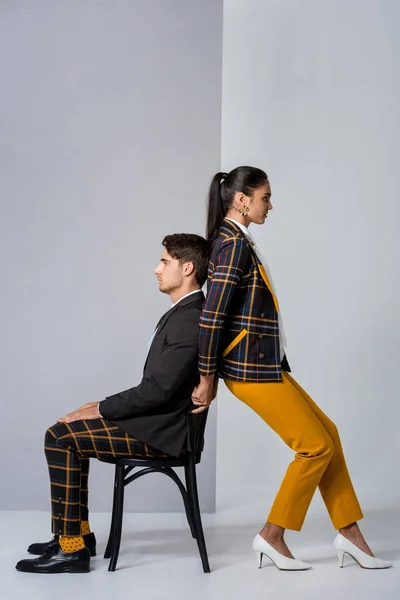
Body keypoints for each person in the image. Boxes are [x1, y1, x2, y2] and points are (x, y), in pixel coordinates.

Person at [191, 166, 392, 571]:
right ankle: (272, 535)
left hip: (263, 365)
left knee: (327, 433)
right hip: (248, 369)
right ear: (242, 200)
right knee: (314, 446)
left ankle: (350, 535)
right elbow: (213, 317)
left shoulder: (235, 241)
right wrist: (207, 376)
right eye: (265, 197)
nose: (270, 205)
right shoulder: (232, 245)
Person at [16, 233, 210, 574]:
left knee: (59, 437)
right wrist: (100, 406)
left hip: (164, 433)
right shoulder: (182, 313)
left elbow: (160, 390)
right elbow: (158, 387)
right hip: (157, 424)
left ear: (188, 267)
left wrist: (102, 407)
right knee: (65, 433)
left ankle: (71, 548)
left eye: (164, 262)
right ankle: (75, 536)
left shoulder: (190, 319)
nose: (156, 269)